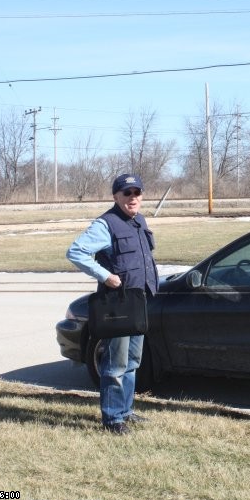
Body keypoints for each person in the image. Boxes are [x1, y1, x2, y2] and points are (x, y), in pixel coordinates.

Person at [66, 173, 158, 435]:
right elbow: (76, 252)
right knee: (116, 364)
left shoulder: (138, 221)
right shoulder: (106, 224)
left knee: (132, 361)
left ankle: (125, 410)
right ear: (116, 196)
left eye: (137, 192)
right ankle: (113, 419)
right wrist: (106, 276)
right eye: (126, 193)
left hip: (137, 301)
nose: (133, 198)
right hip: (117, 304)